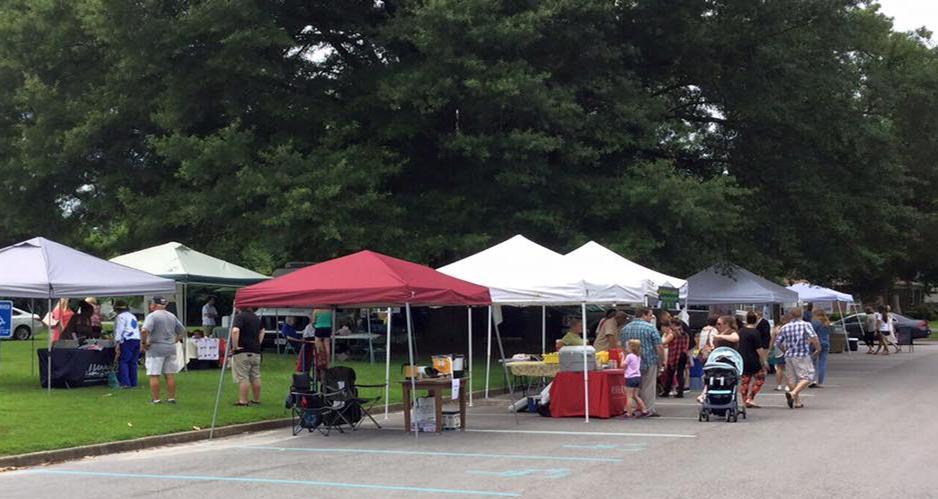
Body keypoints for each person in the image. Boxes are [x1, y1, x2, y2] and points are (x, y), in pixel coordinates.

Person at [141, 296, 186, 404]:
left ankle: (156, 399)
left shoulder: (152, 316)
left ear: (154, 305)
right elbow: (182, 331)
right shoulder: (171, 316)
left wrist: (144, 343)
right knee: (169, 374)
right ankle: (171, 398)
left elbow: (144, 331)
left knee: (154, 374)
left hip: (156, 348)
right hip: (170, 348)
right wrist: (175, 340)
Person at [619, 308, 663, 417]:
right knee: (648, 386)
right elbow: (659, 346)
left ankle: (631, 409)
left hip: (631, 364)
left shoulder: (625, 328)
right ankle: (648, 409)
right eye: (650, 315)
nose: (651, 318)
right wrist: (661, 360)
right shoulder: (650, 328)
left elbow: (622, 347)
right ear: (644, 315)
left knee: (632, 390)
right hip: (649, 360)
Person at [775, 307, 821, 409]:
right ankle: (793, 393)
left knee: (791, 379)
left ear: (790, 315)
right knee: (808, 377)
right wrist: (818, 348)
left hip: (789, 355)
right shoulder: (806, 325)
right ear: (801, 314)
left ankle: (797, 401)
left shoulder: (785, 327)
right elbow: (814, 337)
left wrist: (785, 350)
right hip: (802, 354)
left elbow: (778, 342)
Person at [231, 307, 265, 406]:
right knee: (255, 376)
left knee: (243, 377)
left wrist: (235, 346)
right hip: (256, 351)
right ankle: (256, 399)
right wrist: (258, 343)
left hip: (243, 351)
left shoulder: (239, 317)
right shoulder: (256, 318)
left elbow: (235, 331)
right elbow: (262, 330)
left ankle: (243, 401)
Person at [738, 311, 769, 407]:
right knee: (760, 378)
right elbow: (759, 348)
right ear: (756, 320)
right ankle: (750, 397)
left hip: (742, 358)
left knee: (745, 381)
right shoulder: (755, 332)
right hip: (753, 359)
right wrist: (764, 361)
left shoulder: (740, 331)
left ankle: (744, 401)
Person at [112, 300, 141, 388]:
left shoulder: (120, 317)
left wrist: (117, 343)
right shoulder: (132, 316)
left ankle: (125, 383)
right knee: (133, 362)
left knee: (124, 361)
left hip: (127, 339)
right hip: (136, 339)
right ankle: (134, 382)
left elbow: (119, 330)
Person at [661, 318, 691, 398]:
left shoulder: (673, 334)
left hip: (674, 355)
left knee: (670, 374)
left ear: (673, 325)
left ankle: (666, 391)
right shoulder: (686, 334)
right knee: (680, 374)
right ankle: (680, 392)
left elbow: (664, 343)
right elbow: (687, 345)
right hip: (683, 355)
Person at [623, 339, 648, 418]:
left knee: (629, 396)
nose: (626, 348)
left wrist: (622, 357)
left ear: (631, 348)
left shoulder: (629, 356)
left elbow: (623, 365)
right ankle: (644, 409)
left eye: (627, 347)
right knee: (635, 395)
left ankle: (629, 412)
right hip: (637, 376)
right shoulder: (638, 356)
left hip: (630, 377)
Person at [810, 309, 832, 388]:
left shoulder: (814, 322)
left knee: (812, 362)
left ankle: (812, 380)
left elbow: (811, 334)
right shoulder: (827, 322)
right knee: (822, 363)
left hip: (815, 343)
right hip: (825, 343)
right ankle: (820, 382)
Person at [769, 316, 789, 391]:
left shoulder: (776, 328)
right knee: (787, 368)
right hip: (787, 348)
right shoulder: (788, 328)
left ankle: (779, 385)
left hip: (778, 349)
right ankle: (787, 385)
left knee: (779, 368)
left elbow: (772, 340)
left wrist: (770, 349)